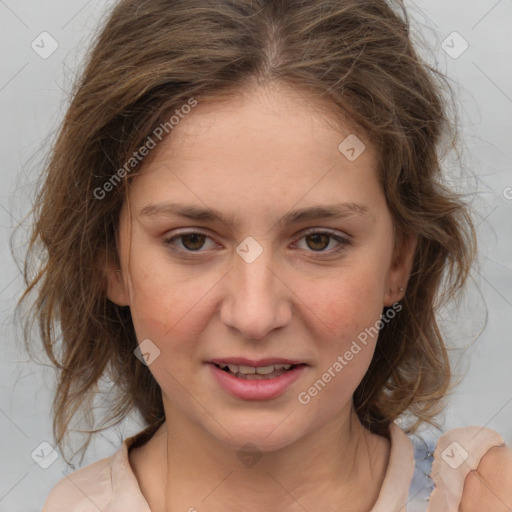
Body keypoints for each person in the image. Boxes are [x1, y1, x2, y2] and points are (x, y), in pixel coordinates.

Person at [19, 0, 512, 510]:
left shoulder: (482, 496)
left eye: (319, 240)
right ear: (110, 261)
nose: (255, 316)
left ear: (398, 263)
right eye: (192, 240)